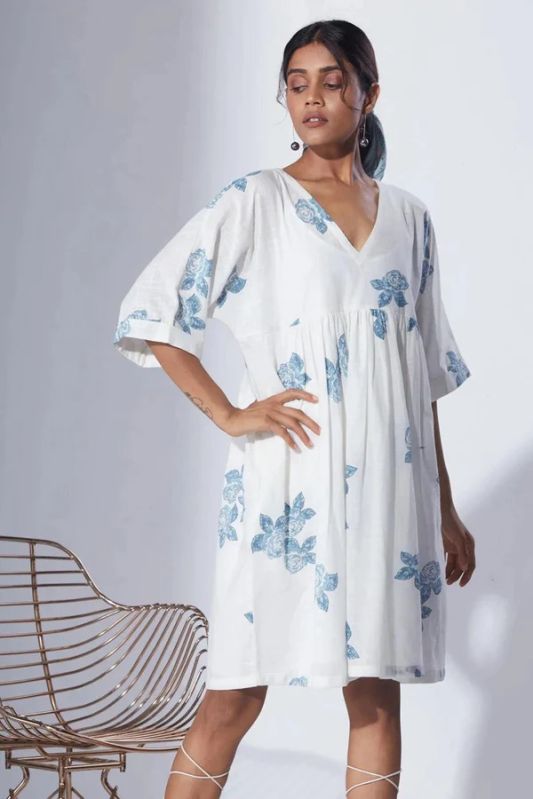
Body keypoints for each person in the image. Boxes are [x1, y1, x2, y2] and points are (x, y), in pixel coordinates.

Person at [113, 18, 476, 799]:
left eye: (331, 82)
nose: (311, 98)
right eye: (296, 83)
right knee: (235, 692)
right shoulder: (257, 200)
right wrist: (229, 412)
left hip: (389, 491)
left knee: (374, 693)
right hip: (287, 488)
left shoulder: (409, 219)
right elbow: (153, 312)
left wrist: (444, 507)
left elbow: (421, 378)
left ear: (367, 95)